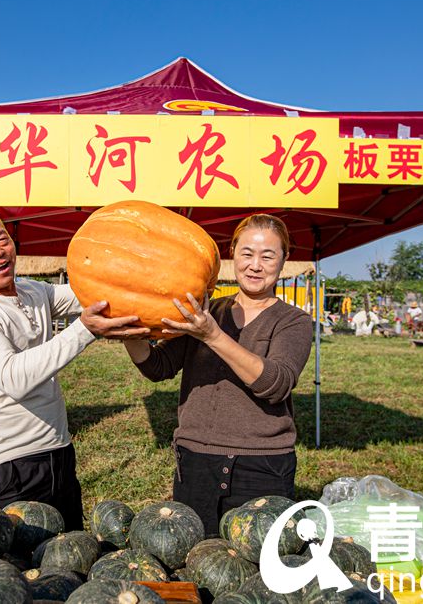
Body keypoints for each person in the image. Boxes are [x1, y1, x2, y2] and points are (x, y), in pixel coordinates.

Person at [0, 208, 148, 529]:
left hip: (58, 453)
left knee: (67, 553)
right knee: (19, 570)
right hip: (7, 468)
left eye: (2, 240)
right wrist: (85, 330)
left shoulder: (33, 291)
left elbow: (93, 297)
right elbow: (14, 377)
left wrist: (140, 274)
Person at [123, 214, 313, 534]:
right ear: (232, 253)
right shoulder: (205, 311)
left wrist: (212, 335)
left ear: (284, 261)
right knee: (197, 561)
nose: (255, 265)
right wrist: (127, 331)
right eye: (247, 253)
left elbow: (275, 384)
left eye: (268, 256)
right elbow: (158, 367)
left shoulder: (293, 321)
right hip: (196, 461)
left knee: (256, 570)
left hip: (261, 466)